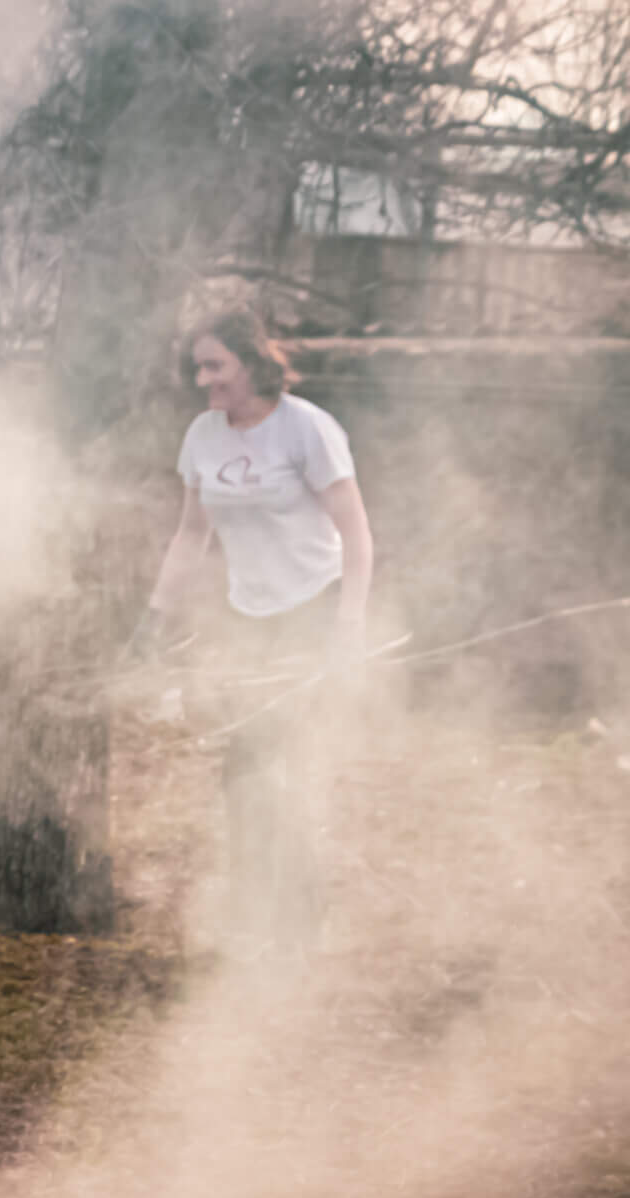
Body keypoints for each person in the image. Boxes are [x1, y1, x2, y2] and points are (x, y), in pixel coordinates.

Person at [131, 306, 376, 947]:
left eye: (215, 365)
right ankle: (250, 919)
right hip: (249, 619)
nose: (204, 379)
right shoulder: (202, 437)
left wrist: (348, 626)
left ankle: (297, 922)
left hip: (311, 610)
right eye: (197, 368)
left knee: (279, 763)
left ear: (250, 362)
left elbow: (356, 533)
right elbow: (191, 534)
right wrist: (155, 617)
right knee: (241, 772)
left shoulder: (307, 431)